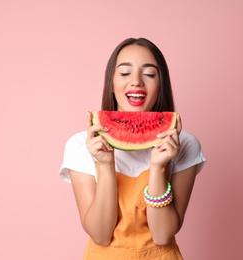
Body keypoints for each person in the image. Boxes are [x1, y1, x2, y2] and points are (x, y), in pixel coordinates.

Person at [59, 37, 206, 259]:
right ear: (111, 83)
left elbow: (163, 235)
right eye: (125, 73)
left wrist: (158, 167)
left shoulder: (184, 144)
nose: (136, 82)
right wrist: (106, 164)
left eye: (149, 74)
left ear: (161, 85)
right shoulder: (81, 145)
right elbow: (100, 235)